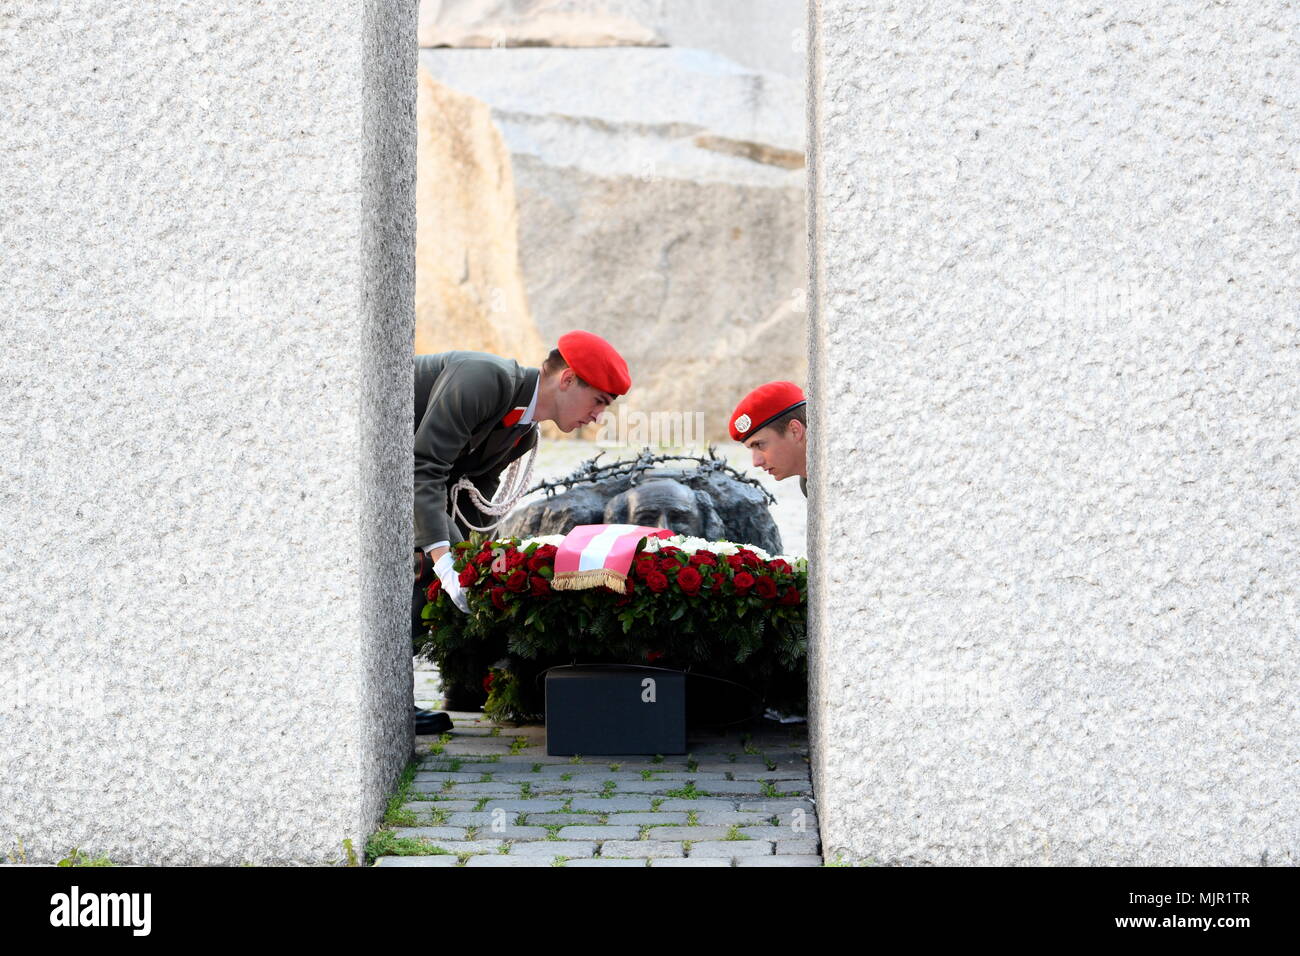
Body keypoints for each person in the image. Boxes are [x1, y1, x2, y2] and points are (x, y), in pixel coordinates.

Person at [412, 330, 632, 722]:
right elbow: (422, 468)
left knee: (456, 568)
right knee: (426, 561)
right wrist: (446, 561)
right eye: (598, 401)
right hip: (364, 461)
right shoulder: (482, 378)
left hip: (406, 478)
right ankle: (387, 702)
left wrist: (482, 567)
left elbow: (474, 499)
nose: (598, 416)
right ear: (566, 379)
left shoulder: (523, 431)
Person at [728, 381, 808, 497]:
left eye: (759, 445)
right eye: (751, 448)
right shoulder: (807, 483)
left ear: (794, 431)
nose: (756, 462)